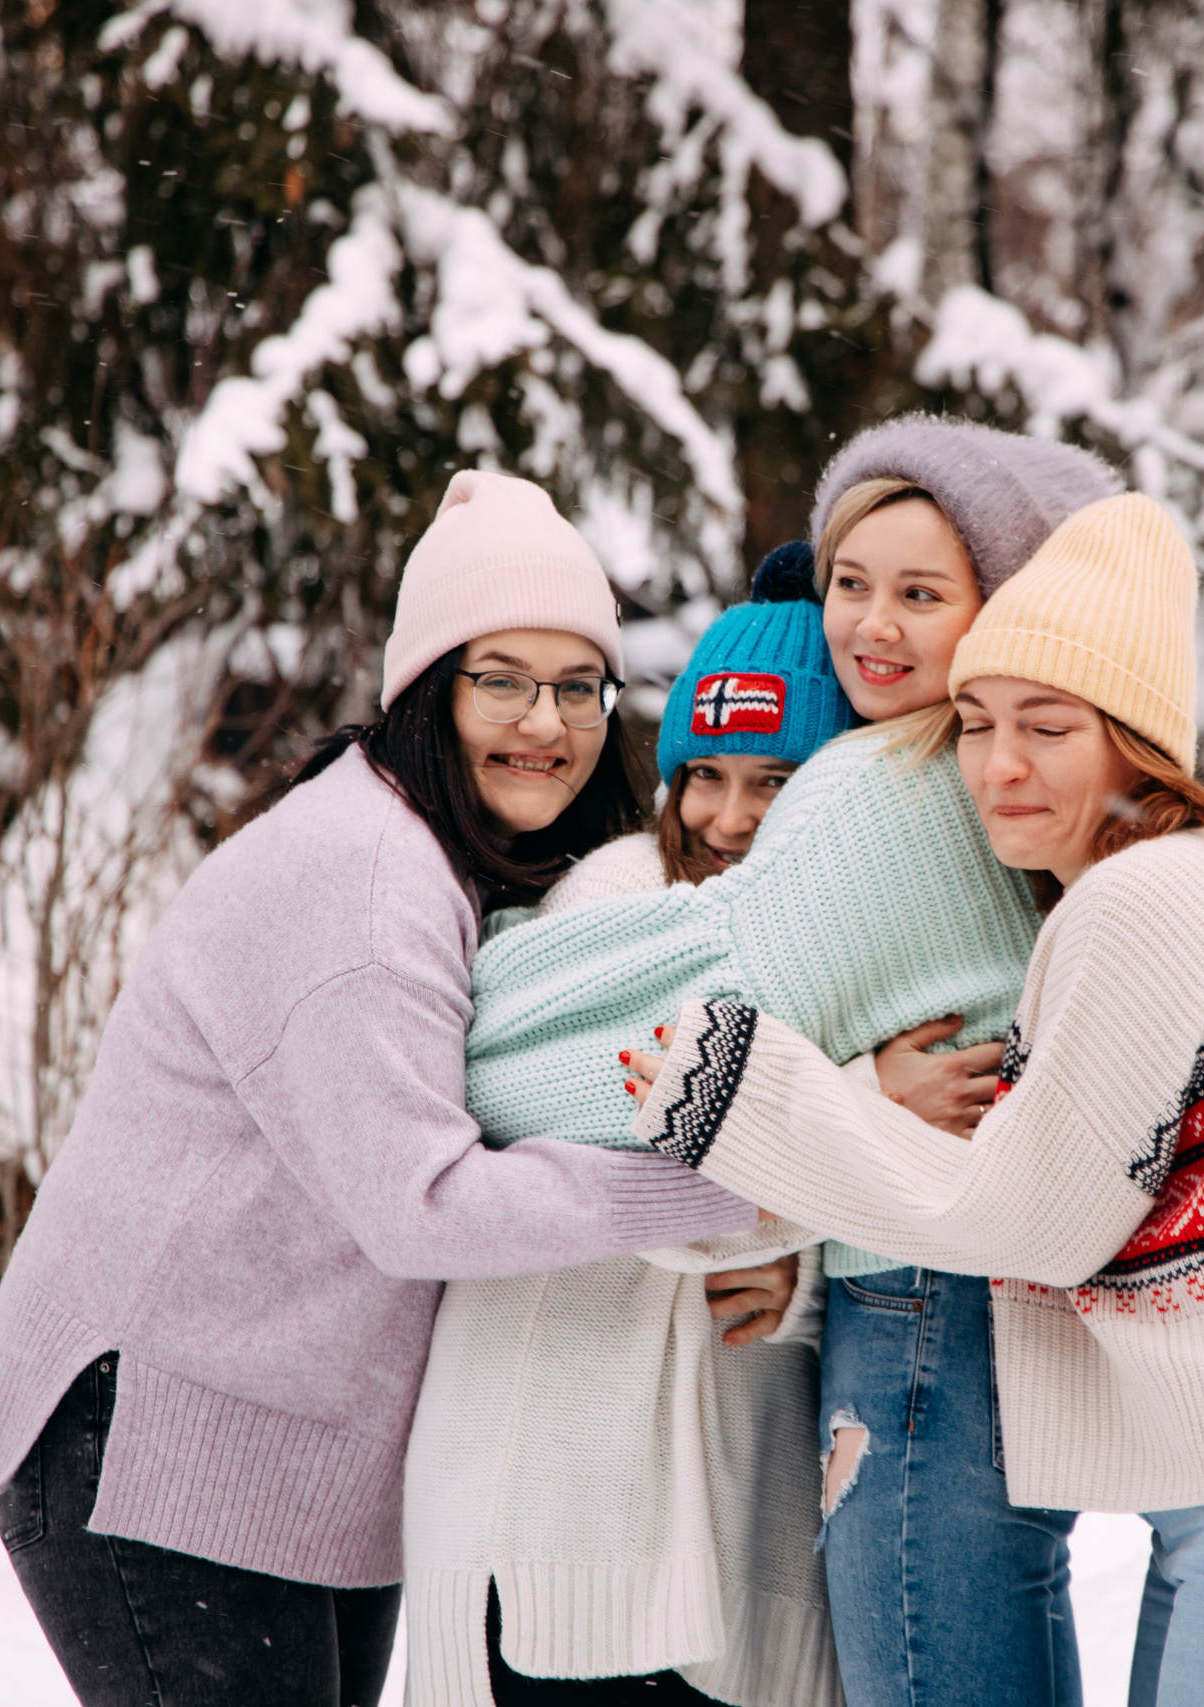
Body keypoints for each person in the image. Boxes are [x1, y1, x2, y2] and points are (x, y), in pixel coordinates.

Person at [625, 494, 1204, 1707]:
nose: (998, 766)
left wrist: (753, 1096)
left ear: (1134, 742)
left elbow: (1029, 1220)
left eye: (1047, 727)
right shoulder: (1182, 882)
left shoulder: (1139, 902)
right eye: (976, 723)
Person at [0, 470, 760, 1707]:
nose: (545, 723)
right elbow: (423, 1205)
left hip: (292, 1457)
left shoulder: (464, 861)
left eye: (577, 686)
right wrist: (731, 1183)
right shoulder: (368, 885)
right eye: (501, 679)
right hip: (153, 1442)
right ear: (427, 690)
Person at [455, 418, 1122, 1707]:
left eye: (920, 593)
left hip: (899, 1328)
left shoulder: (887, 788)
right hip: (841, 1359)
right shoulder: (990, 780)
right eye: (850, 584)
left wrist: (464, 1008)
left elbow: (654, 1058)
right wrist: (833, 1136)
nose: (871, 623)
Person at [405, 543, 856, 1707]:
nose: (727, 817)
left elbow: (813, 1222)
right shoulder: (622, 900)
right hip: (556, 1516)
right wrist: (855, 1125)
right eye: (705, 775)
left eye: (775, 782)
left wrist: (801, 1272)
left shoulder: (841, 943)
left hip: (703, 1533)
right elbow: (655, 1154)